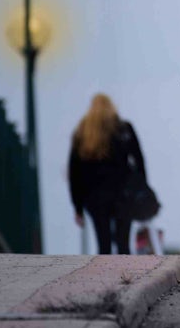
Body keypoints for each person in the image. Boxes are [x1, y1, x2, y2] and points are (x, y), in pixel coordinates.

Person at [69, 93, 146, 255]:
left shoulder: (83, 132)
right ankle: (126, 277)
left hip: (94, 196)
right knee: (123, 243)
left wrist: (78, 207)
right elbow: (139, 160)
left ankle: (105, 277)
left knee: (103, 244)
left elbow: (74, 172)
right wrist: (141, 189)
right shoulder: (124, 129)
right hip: (124, 194)